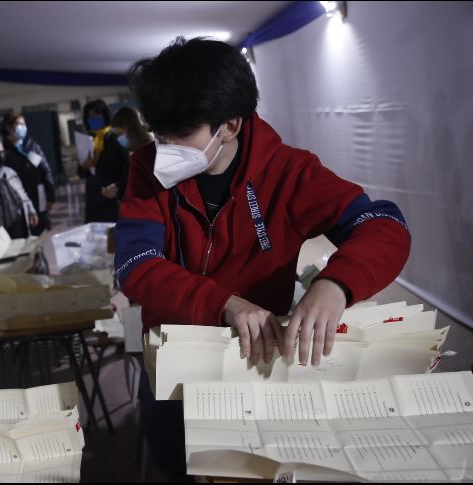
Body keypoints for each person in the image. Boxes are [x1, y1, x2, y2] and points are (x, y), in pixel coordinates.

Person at [115, 37, 411, 480]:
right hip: (174, 353)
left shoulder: (289, 172)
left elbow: (383, 225)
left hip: (255, 358)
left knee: (253, 467)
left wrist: (335, 285)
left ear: (229, 126)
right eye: (159, 135)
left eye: (180, 135)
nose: (165, 148)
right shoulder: (147, 170)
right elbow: (136, 264)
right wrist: (223, 303)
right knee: (175, 459)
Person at [0, 112, 56, 236]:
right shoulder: (3, 151)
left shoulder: (32, 146)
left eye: (24, 124)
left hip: (37, 197)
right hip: (15, 201)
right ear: (8, 127)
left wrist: (50, 196)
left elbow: (45, 170)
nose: (23, 127)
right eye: (19, 124)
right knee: (20, 234)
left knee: (39, 234)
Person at [77, 99, 130, 223]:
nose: (93, 119)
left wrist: (118, 186)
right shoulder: (87, 140)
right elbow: (81, 172)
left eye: (97, 116)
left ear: (105, 116)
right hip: (93, 201)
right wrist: (84, 166)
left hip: (112, 200)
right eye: (90, 117)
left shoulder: (116, 138)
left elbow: (130, 167)